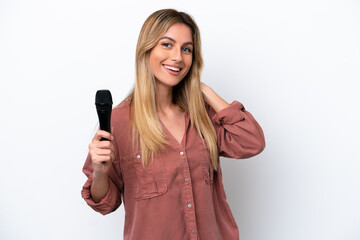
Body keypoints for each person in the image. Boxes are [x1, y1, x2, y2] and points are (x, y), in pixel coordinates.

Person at [81, 9, 265, 240]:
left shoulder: (202, 115)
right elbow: (104, 203)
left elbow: (252, 142)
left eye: (186, 49)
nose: (178, 56)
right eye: (167, 45)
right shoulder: (118, 121)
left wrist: (202, 88)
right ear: (146, 49)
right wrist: (100, 173)